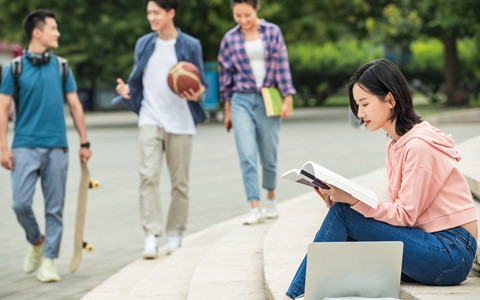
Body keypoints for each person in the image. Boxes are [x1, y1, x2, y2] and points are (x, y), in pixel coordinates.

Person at [284, 59, 478, 299]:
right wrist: (342, 199)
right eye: (356, 105)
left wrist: (353, 203)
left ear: (390, 99)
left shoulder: (419, 147)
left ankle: (292, 296)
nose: (360, 113)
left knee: (344, 215)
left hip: (452, 253)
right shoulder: (396, 145)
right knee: (345, 221)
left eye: (364, 104)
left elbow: (405, 216)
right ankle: (306, 293)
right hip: (432, 243)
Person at [0, 9, 92, 283]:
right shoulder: (14, 69)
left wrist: (84, 142)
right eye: (53, 28)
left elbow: (75, 106)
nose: (58, 33)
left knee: (55, 207)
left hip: (57, 147)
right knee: (19, 203)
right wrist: (3, 146)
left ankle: (49, 261)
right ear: (37, 33)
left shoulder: (62, 67)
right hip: (25, 146)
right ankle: (36, 240)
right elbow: (3, 107)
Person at [114, 0, 207, 258]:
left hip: (181, 121)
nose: (151, 17)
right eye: (149, 13)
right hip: (150, 117)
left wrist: (197, 93)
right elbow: (138, 81)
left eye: (156, 12)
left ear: (171, 13)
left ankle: (175, 232)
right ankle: (151, 235)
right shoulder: (144, 43)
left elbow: (202, 87)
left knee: (180, 183)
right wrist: (126, 92)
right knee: (148, 176)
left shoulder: (190, 45)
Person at [218, 0, 296, 225]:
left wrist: (287, 98)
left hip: (269, 97)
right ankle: (254, 205)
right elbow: (226, 77)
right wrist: (227, 110)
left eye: (247, 15)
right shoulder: (229, 39)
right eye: (237, 16)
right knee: (246, 154)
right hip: (240, 99)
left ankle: (270, 197)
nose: (242, 20)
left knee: (269, 155)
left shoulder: (272, 32)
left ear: (256, 9)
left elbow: (282, 66)